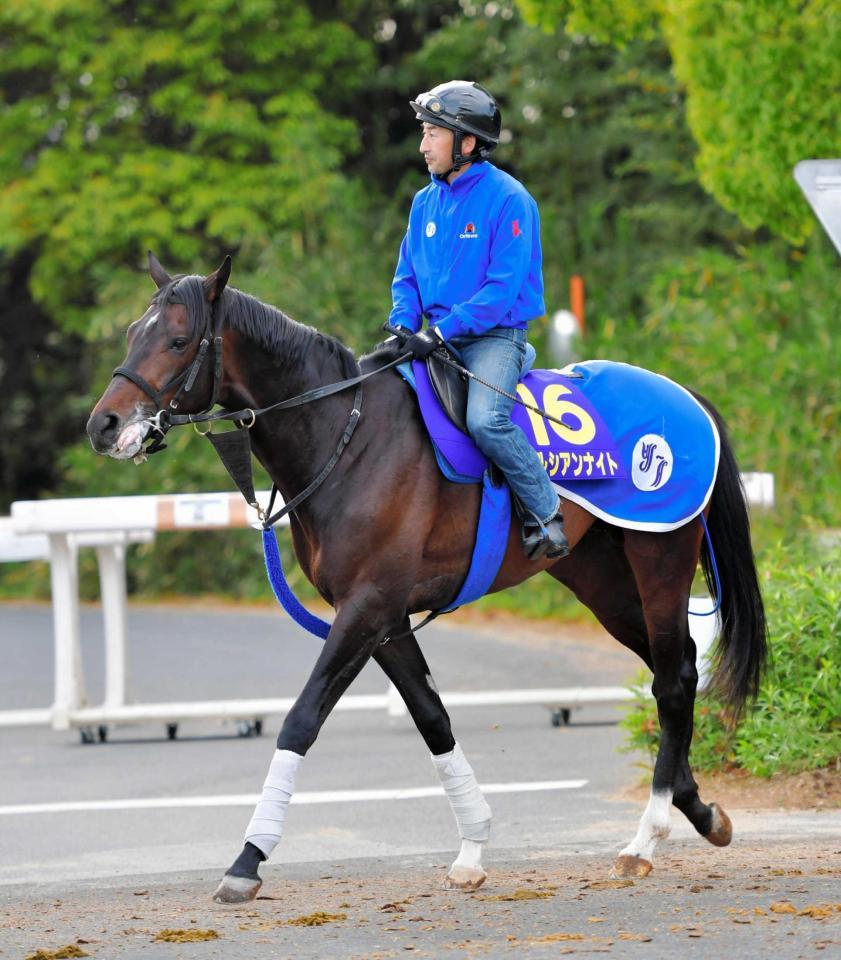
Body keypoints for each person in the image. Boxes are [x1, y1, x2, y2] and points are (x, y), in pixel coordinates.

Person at [388, 80, 569, 561]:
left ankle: (545, 513)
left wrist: (441, 331)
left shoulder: (511, 200)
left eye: (433, 133)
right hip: (432, 339)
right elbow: (406, 275)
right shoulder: (423, 202)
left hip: (493, 337)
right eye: (423, 132)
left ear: (466, 144)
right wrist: (403, 323)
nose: (423, 145)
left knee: (486, 421)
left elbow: (501, 291)